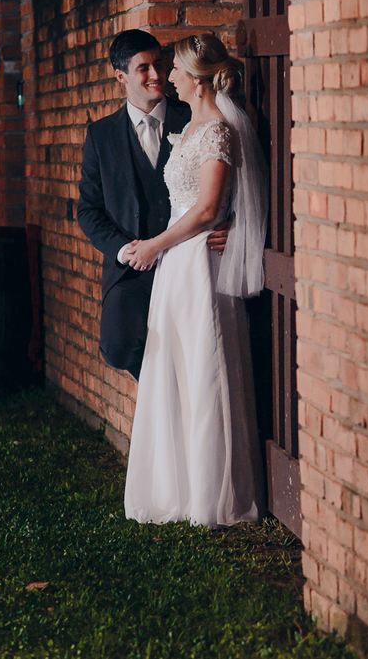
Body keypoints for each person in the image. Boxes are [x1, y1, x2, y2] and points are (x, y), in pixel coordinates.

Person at [121, 32, 268, 528]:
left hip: (199, 264)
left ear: (197, 78)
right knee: (177, 366)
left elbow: (207, 208)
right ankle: (176, 486)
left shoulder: (218, 132)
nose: (169, 79)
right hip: (176, 267)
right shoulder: (189, 130)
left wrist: (155, 245)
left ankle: (213, 493)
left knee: (207, 365)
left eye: (176, 71)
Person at [76, 29, 227, 379]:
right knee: (118, 346)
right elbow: (88, 209)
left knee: (191, 352)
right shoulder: (101, 135)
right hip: (134, 266)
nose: (156, 75)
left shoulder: (193, 115)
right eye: (143, 68)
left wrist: (229, 223)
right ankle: (161, 402)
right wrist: (123, 250)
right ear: (121, 76)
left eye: (159, 64)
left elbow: (223, 184)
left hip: (189, 256)